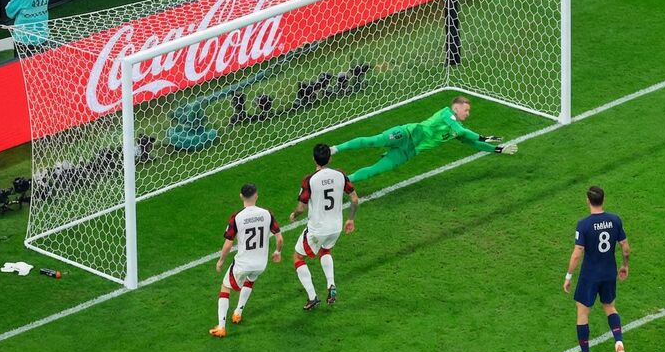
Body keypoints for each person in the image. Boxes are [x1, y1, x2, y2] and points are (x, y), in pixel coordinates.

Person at [331, 96, 517, 182]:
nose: (468, 114)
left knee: (375, 171)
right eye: (466, 110)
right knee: (373, 141)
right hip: (406, 133)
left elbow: (474, 143)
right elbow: (461, 130)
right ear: (456, 107)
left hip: (409, 151)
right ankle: (335, 149)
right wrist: (482, 135)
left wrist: (497, 149)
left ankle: (342, 181)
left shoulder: (458, 130)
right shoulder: (446, 114)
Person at [562, 186, 630, 352]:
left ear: (588, 200)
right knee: (609, 307)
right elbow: (625, 247)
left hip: (590, 275)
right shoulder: (615, 220)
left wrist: (568, 276)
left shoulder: (583, 224)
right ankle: (618, 342)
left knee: (582, 312)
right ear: (603, 199)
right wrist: (624, 265)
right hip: (609, 272)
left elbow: (577, 253)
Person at [289, 143, 359, 310]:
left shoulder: (310, 179)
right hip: (335, 227)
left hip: (317, 229)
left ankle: (312, 297)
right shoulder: (340, 175)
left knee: (298, 257)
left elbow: (301, 207)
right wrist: (351, 219)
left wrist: (294, 215)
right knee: (325, 251)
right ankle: (331, 285)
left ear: (314, 159)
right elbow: (355, 199)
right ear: (330, 158)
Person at [209, 183, 283, 337]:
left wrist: (221, 261)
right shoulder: (267, 214)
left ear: (241, 196)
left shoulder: (237, 217)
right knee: (250, 279)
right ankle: (238, 312)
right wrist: (277, 251)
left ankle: (221, 327)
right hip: (260, 264)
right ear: (256, 195)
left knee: (225, 287)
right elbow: (279, 237)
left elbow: (228, 243)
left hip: (243, 263)